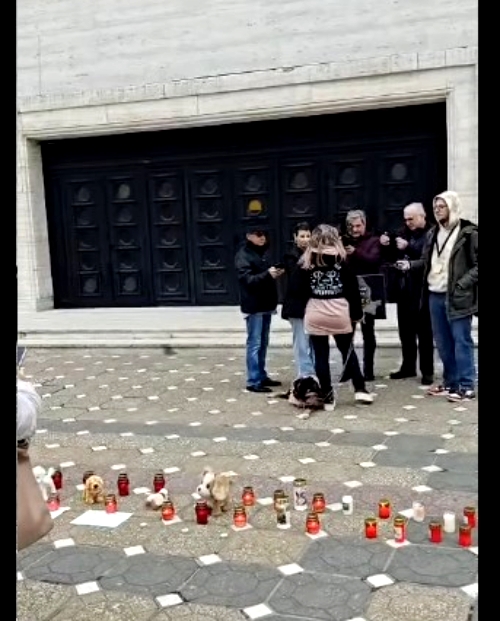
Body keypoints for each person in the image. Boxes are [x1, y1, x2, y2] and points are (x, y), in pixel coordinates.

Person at [398, 191, 477, 402]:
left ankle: (467, 386)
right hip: (434, 293)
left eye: (442, 206)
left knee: (461, 341)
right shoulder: (434, 233)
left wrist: (462, 283)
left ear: (452, 207)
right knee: (442, 342)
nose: (437, 210)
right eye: (435, 207)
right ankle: (451, 382)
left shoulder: (468, 232)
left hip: (457, 295)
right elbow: (427, 261)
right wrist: (410, 265)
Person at [290, 224, 374, 406]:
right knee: (347, 350)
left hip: (316, 311)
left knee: (321, 355)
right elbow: (352, 289)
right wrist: (356, 313)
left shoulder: (306, 261)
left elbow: (296, 288)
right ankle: (360, 389)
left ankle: (327, 395)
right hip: (339, 311)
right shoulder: (341, 260)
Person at [380, 202, 434, 385]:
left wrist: (408, 248)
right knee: (405, 331)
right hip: (403, 288)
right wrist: (386, 243)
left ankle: (427, 371)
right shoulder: (403, 232)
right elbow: (391, 255)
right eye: (406, 219)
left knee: (424, 333)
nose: (408, 222)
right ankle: (408, 367)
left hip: (422, 290)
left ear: (422, 216)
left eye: (411, 219)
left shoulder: (431, 234)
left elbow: (428, 259)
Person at [235, 225, 284, 393]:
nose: (263, 237)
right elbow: (247, 280)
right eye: (258, 234)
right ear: (249, 236)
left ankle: (261, 375)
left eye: (264, 234)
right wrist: (267, 274)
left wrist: (274, 273)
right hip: (254, 305)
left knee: (263, 342)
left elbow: (263, 275)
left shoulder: (264, 252)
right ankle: (253, 380)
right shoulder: (243, 255)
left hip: (266, 303)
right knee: (254, 343)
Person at [342, 210, 383, 381]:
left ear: (364, 224)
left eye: (358, 226)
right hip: (348, 291)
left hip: (367, 290)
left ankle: (368, 370)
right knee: (346, 333)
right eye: (351, 226)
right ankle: (348, 369)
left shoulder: (373, 241)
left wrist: (355, 252)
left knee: (368, 332)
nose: (355, 230)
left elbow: (374, 260)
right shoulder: (344, 240)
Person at [281, 222, 316, 379]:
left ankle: (315, 372)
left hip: (313, 304)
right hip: (296, 305)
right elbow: (294, 280)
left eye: (308, 236)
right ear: (295, 238)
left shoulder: (316, 254)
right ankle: (305, 375)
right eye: (302, 236)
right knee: (301, 341)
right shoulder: (290, 256)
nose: (305, 239)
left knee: (314, 341)